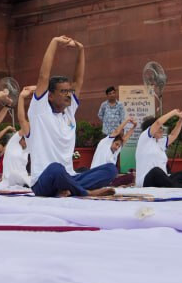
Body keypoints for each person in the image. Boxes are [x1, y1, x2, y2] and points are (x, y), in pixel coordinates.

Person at [28, 35, 117, 197]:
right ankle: (86, 193)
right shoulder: (40, 111)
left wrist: (81, 50)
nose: (68, 94)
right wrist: (54, 42)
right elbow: (43, 77)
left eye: (69, 91)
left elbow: (78, 80)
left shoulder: (69, 111)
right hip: (44, 181)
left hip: (69, 177)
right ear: (50, 96)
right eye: (63, 91)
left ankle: (67, 190)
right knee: (56, 169)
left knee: (110, 169)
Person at [135, 110, 182, 188]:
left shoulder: (160, 142)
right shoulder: (144, 138)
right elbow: (158, 123)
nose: (162, 130)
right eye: (160, 128)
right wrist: (173, 112)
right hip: (146, 180)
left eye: (162, 128)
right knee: (156, 171)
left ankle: (174, 186)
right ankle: (180, 187)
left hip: (162, 179)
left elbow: (173, 135)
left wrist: (180, 121)